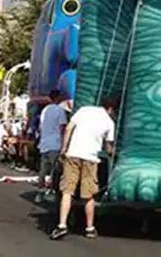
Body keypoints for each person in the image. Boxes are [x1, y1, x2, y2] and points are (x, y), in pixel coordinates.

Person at [51, 97, 117, 240]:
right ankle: (89, 228)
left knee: (67, 191)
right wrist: (113, 153)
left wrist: (64, 148)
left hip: (73, 154)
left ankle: (62, 225)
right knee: (88, 194)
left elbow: (69, 128)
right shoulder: (109, 122)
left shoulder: (84, 110)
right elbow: (108, 146)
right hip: (90, 158)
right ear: (111, 109)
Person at [37, 92, 69, 203]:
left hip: (44, 143)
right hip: (55, 143)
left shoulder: (45, 110)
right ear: (58, 97)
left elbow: (41, 126)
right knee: (55, 170)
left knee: (43, 169)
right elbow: (62, 128)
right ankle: (52, 192)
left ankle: (40, 192)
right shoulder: (60, 110)